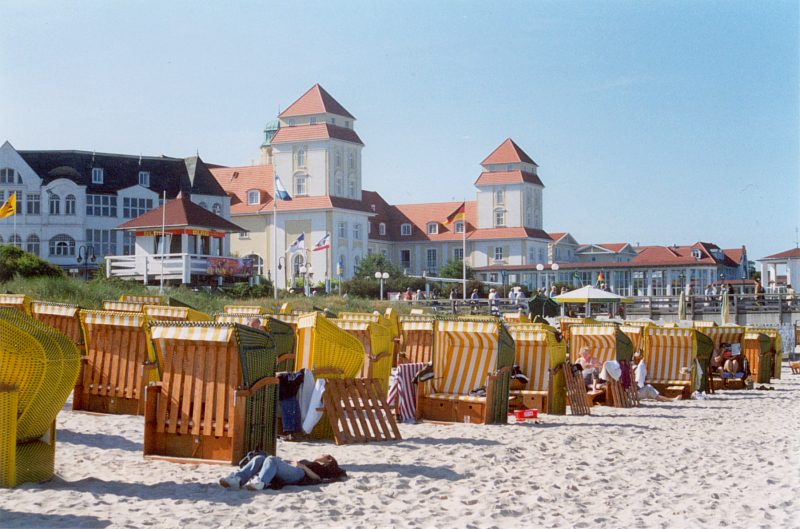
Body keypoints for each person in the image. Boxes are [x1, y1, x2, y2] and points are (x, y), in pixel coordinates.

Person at [220, 453, 346, 490]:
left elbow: (318, 479)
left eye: (324, 455)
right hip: (294, 470)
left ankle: (261, 482)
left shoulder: (322, 468)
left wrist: (304, 467)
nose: (321, 454)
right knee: (259, 458)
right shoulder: (313, 462)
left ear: (328, 459)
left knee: (271, 460)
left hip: (300, 474)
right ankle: (238, 479)